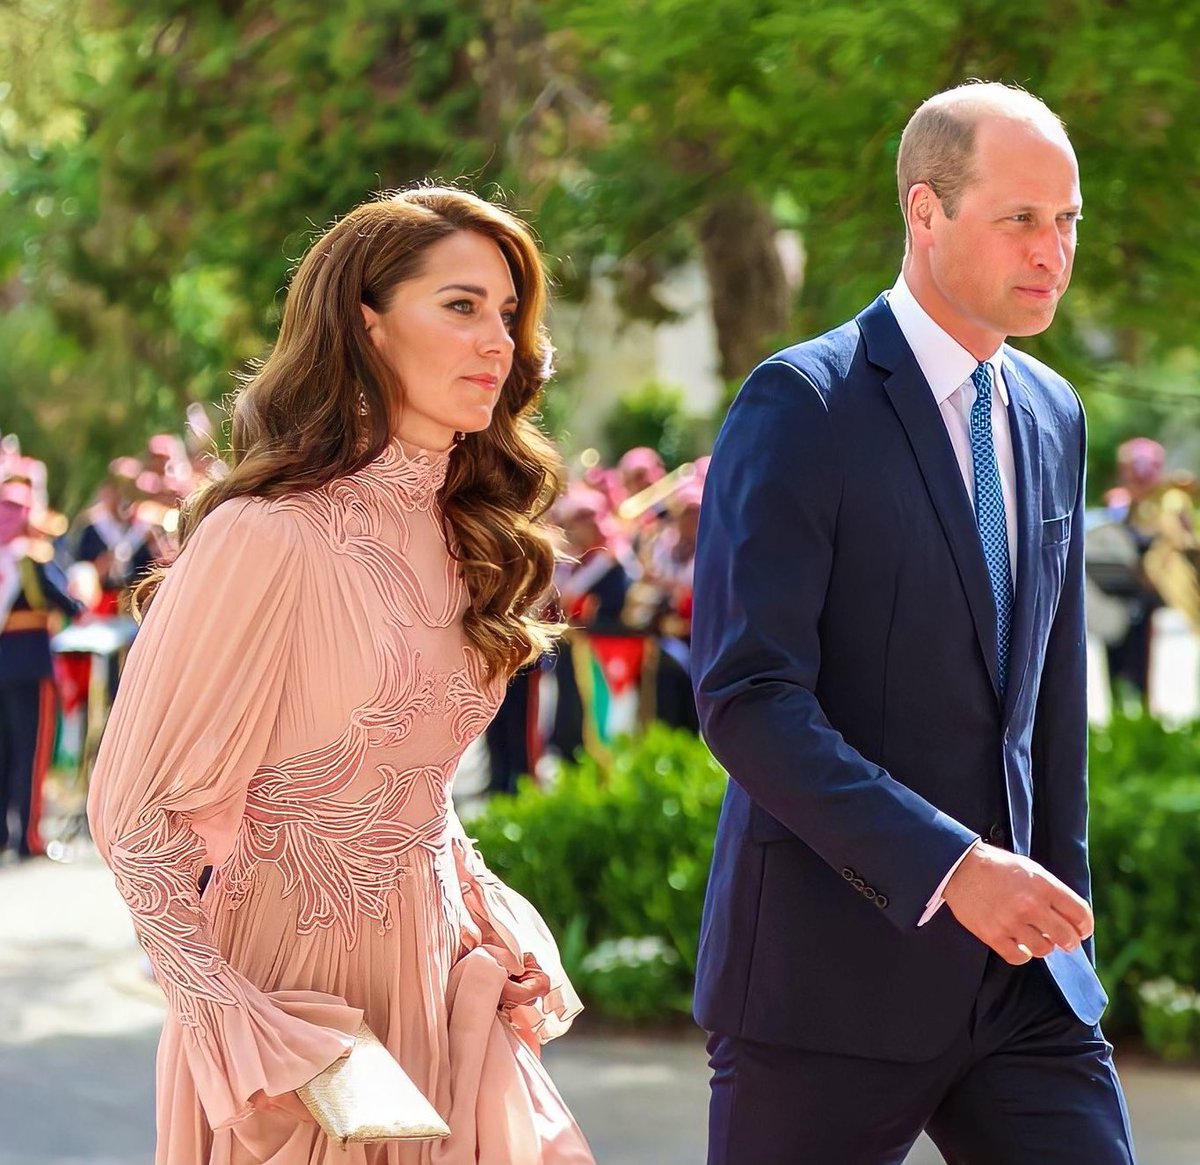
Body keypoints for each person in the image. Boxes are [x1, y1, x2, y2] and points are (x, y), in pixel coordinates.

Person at [87, 187, 595, 1165]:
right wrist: (235, 1020)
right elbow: (129, 815)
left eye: (507, 313)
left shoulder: (466, 536)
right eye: (460, 305)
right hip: (299, 997)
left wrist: (487, 914)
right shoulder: (266, 535)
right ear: (366, 324)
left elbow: (411, 789)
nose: (501, 341)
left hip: (443, 971)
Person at [691, 82, 1135, 1164]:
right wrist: (952, 865)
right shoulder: (802, 404)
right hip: (827, 989)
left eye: (1067, 219)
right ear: (924, 212)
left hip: (1025, 994)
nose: (1052, 249)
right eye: (1020, 217)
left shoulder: (1053, 411)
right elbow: (749, 699)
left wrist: (1059, 913)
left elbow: (1049, 699)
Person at [0, 472, 84, 858]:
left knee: (3, 750)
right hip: (29, 662)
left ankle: (3, 833)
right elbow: (69, 604)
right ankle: (28, 838)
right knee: (30, 752)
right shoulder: (32, 557)